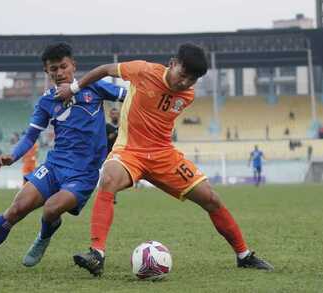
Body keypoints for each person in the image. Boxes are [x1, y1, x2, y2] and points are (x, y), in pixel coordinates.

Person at [56, 43, 273, 277]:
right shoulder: (143, 71)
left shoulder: (187, 95)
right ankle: (96, 254)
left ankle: (244, 255)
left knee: (211, 198)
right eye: (182, 74)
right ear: (172, 63)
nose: (185, 82)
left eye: (191, 79)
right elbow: (105, 69)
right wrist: (75, 88)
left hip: (163, 155)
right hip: (130, 151)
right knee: (108, 179)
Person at [0, 42, 127, 276]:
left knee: (51, 208)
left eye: (63, 66)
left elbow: (130, 97)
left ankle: (45, 234)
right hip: (54, 167)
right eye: (53, 69)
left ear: (73, 65)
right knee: (17, 208)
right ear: (47, 73)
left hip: (83, 173)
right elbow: (30, 136)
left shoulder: (94, 87)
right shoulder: (46, 101)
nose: (59, 73)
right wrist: (12, 156)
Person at [105, 107, 120, 204]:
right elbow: (107, 138)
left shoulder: (122, 126)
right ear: (110, 115)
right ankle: (109, 196)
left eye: (116, 114)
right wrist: (115, 132)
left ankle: (113, 196)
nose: (115, 115)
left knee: (116, 176)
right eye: (113, 114)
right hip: (109, 153)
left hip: (120, 153)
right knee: (109, 176)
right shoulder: (107, 126)